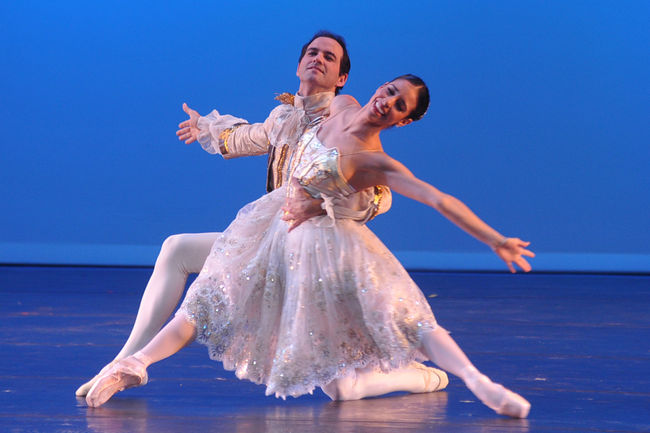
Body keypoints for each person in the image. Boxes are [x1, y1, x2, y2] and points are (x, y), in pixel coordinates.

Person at [85, 74, 534, 418]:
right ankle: (132, 364)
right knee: (210, 301)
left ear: (403, 120)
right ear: (378, 86)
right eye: (391, 91)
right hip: (271, 230)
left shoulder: (374, 161)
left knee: (400, 317)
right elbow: (257, 133)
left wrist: (496, 240)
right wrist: (208, 128)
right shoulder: (338, 104)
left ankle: (478, 382)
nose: (388, 102)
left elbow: (434, 198)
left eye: (400, 105)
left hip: (325, 250)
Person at [76, 31, 447, 400]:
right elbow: (249, 137)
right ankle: (123, 363)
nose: (318, 59)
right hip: (268, 241)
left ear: (342, 79)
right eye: (313, 52)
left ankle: (422, 378)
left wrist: (338, 204)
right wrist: (206, 127)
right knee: (177, 249)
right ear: (299, 65)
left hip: (310, 259)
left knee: (342, 390)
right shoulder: (284, 116)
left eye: (329, 57)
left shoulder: (344, 121)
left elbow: (381, 192)